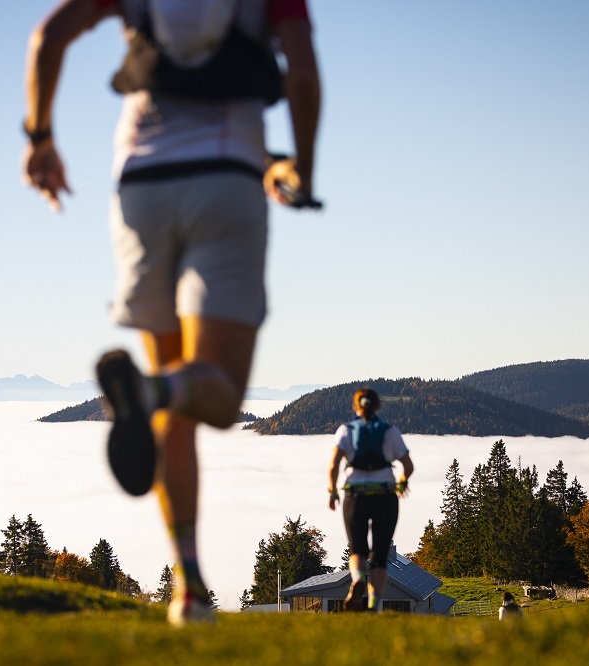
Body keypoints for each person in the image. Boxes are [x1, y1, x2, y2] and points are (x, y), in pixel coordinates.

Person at [22, 0, 322, 626]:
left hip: (139, 184)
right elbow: (300, 72)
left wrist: (41, 139)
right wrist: (300, 168)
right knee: (214, 397)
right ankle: (150, 388)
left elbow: (49, 37)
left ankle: (187, 591)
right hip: (227, 180)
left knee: (173, 421)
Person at [328, 388, 413, 612]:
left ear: (355, 407)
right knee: (380, 554)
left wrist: (332, 491)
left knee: (357, 550)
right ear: (377, 407)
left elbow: (334, 464)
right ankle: (374, 605)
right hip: (385, 496)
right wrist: (402, 483)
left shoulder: (345, 431)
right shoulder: (390, 431)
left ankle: (357, 581)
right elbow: (408, 466)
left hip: (355, 496)